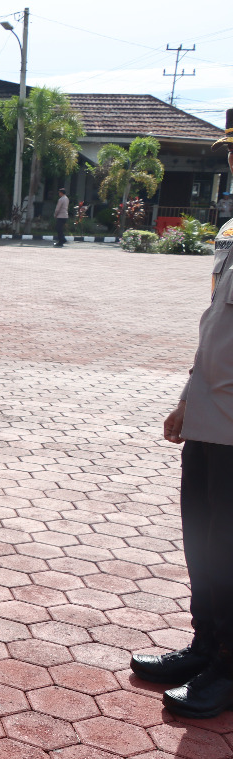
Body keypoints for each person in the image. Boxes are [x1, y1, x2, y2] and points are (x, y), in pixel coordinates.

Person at [129, 111, 233, 719]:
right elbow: (217, 330)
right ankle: (206, 645)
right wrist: (187, 403)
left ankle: (227, 666)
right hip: (211, 419)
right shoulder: (231, 230)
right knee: (204, 541)